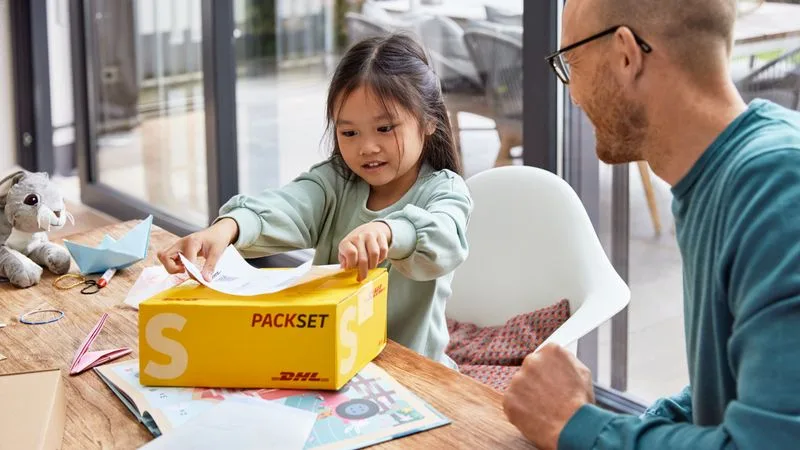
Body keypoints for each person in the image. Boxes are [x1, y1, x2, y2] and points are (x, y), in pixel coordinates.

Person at [503, 0, 800, 448]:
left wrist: (574, 424)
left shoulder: (777, 187)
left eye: (571, 62)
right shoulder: (725, 177)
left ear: (626, 55)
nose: (571, 92)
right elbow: (734, 391)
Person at [157, 33, 472, 368]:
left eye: (385, 128)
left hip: (412, 373)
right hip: (329, 358)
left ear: (429, 122)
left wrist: (389, 232)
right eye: (349, 133)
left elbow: (444, 239)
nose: (367, 147)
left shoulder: (445, 190)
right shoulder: (335, 181)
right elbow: (287, 205)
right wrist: (227, 228)